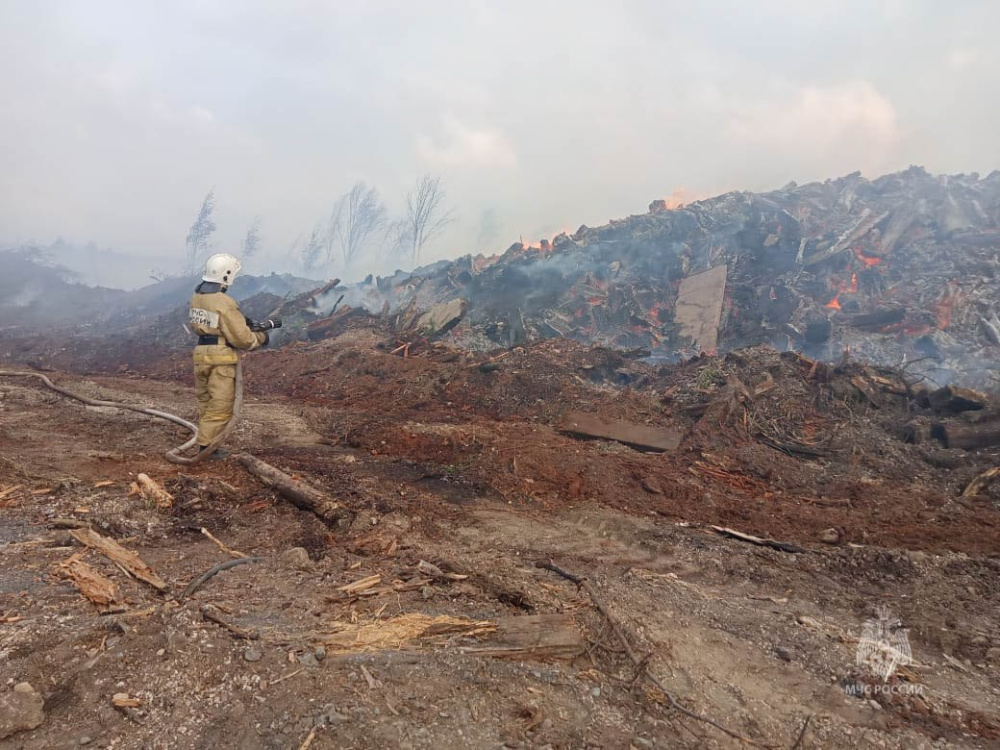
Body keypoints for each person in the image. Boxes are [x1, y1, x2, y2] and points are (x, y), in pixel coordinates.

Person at [187, 254, 274, 457]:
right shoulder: (224, 302)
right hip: (220, 358)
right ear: (226, 275)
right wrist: (261, 337)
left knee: (206, 401)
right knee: (221, 404)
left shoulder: (196, 298)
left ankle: (205, 444)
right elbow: (242, 338)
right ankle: (208, 448)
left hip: (201, 354)